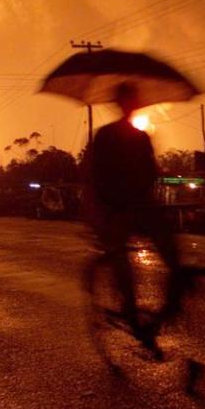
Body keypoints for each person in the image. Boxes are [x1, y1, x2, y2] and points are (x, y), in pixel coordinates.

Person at [83, 82, 184, 358]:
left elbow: (152, 174)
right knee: (121, 263)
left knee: (176, 261)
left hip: (142, 208)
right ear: (122, 104)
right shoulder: (105, 136)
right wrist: (101, 212)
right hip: (115, 210)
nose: (131, 106)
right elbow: (94, 177)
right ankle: (132, 316)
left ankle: (164, 315)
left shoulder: (141, 137)